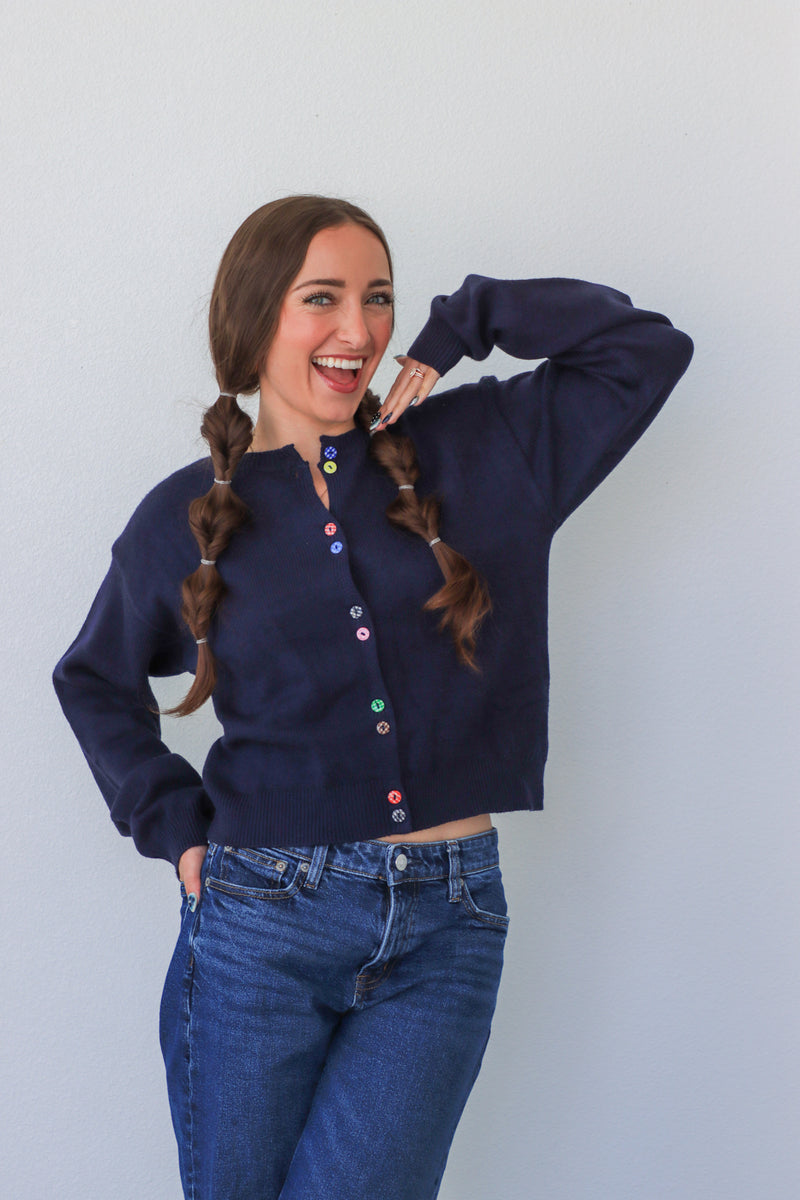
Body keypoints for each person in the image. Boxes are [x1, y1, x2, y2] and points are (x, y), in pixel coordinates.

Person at [52, 194, 693, 1200]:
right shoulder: (181, 523)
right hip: (260, 923)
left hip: (448, 923)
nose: (359, 331)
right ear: (256, 316)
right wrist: (171, 822)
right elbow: (92, 677)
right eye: (323, 299)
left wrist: (469, 318)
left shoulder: (484, 450)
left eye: (378, 298)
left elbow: (643, 351)